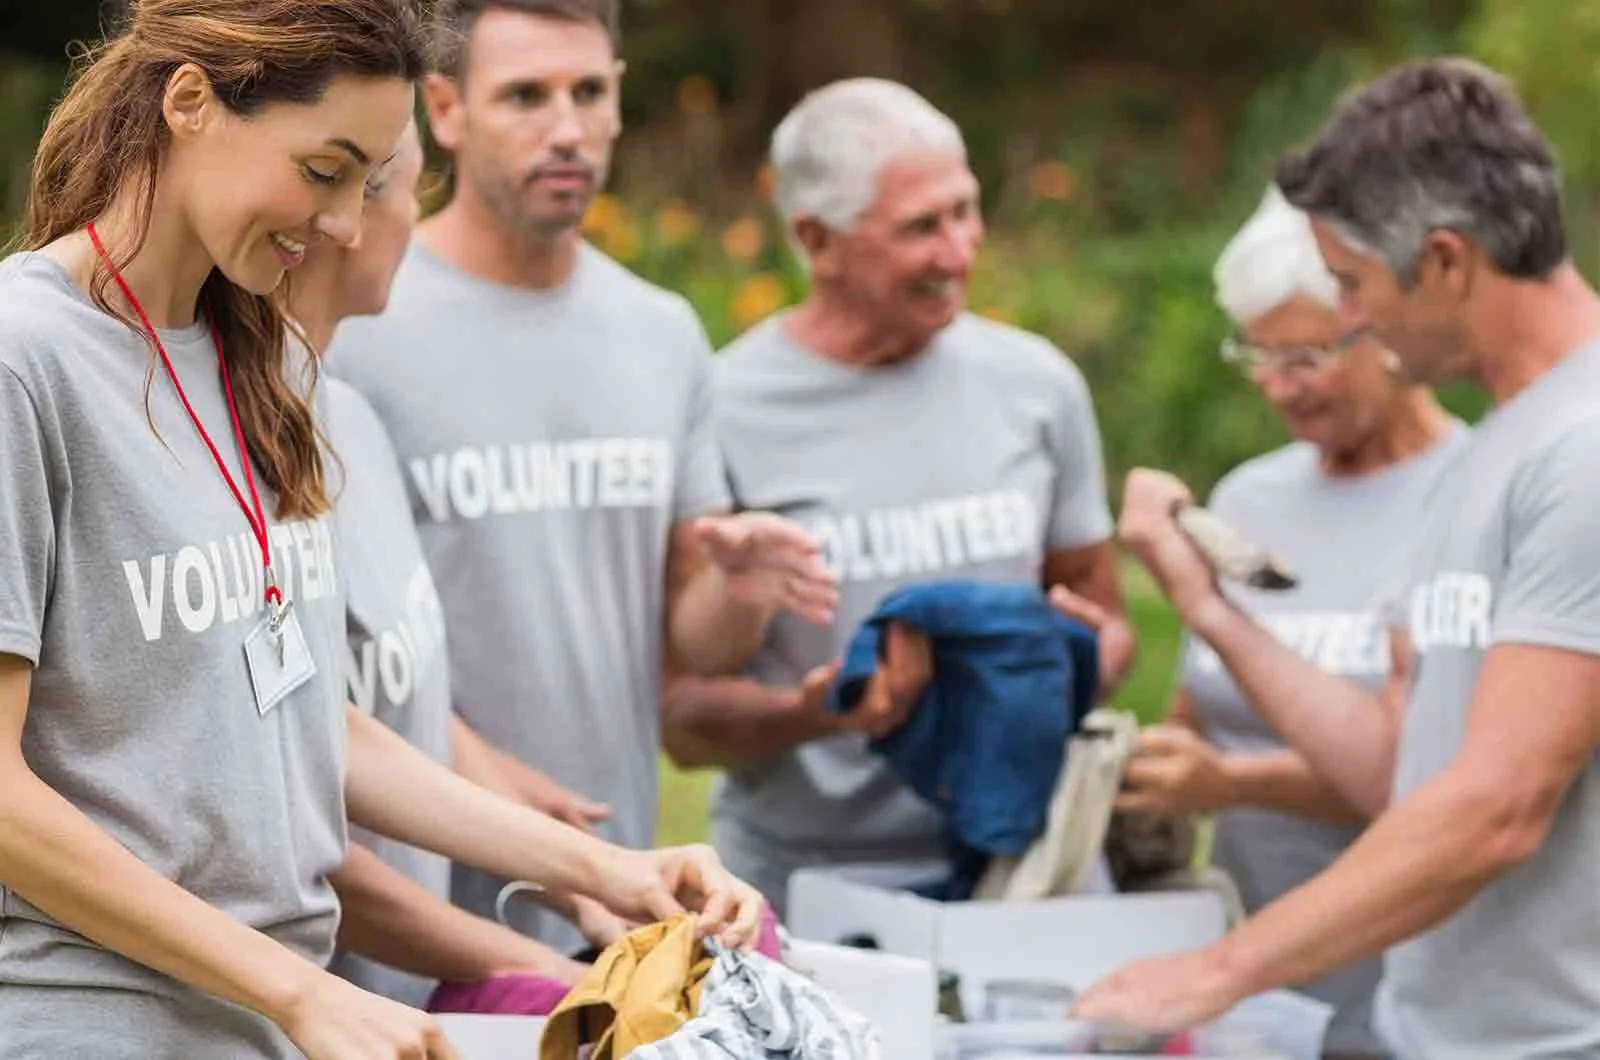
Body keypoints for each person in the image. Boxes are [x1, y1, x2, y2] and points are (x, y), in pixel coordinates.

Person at [0, 4, 763, 1056]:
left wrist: (612, 869)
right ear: (189, 104)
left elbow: (314, 714)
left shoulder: (254, 362)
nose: (350, 225)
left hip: (261, 1021)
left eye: (366, 183)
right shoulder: (23, 359)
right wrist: (301, 990)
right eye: (324, 170)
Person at [1073, 57, 1600, 1060]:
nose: (1348, 318)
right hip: (1435, 1032)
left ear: (1445, 261)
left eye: (1352, 284)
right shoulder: (1492, 448)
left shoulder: (1585, 453)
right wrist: (1214, 610)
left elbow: (1494, 809)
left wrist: (1216, 971)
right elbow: (1399, 774)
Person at [326, 0, 836, 955]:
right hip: (405, 903)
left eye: (588, 92)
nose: (566, 128)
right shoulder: (357, 321)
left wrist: (739, 590)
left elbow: (695, 643)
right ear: (444, 110)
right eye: (525, 95)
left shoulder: (662, 330)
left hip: (619, 892)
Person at [662, 78, 1138, 914]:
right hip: (803, 888)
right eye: (923, 227)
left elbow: (1108, 626)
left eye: (966, 210)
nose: (960, 251)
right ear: (817, 239)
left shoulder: (1036, 386)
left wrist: (1055, 663)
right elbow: (684, 717)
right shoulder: (722, 403)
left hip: (1019, 873)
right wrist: (817, 714)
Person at [1101, 185, 1466, 1059]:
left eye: (1303, 357)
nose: (1276, 385)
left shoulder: (1466, 494)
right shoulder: (1250, 497)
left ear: (1378, 324)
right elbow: (1204, 708)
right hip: (1253, 991)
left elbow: (1427, 773)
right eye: (1256, 356)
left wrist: (1232, 782)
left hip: (1405, 991)